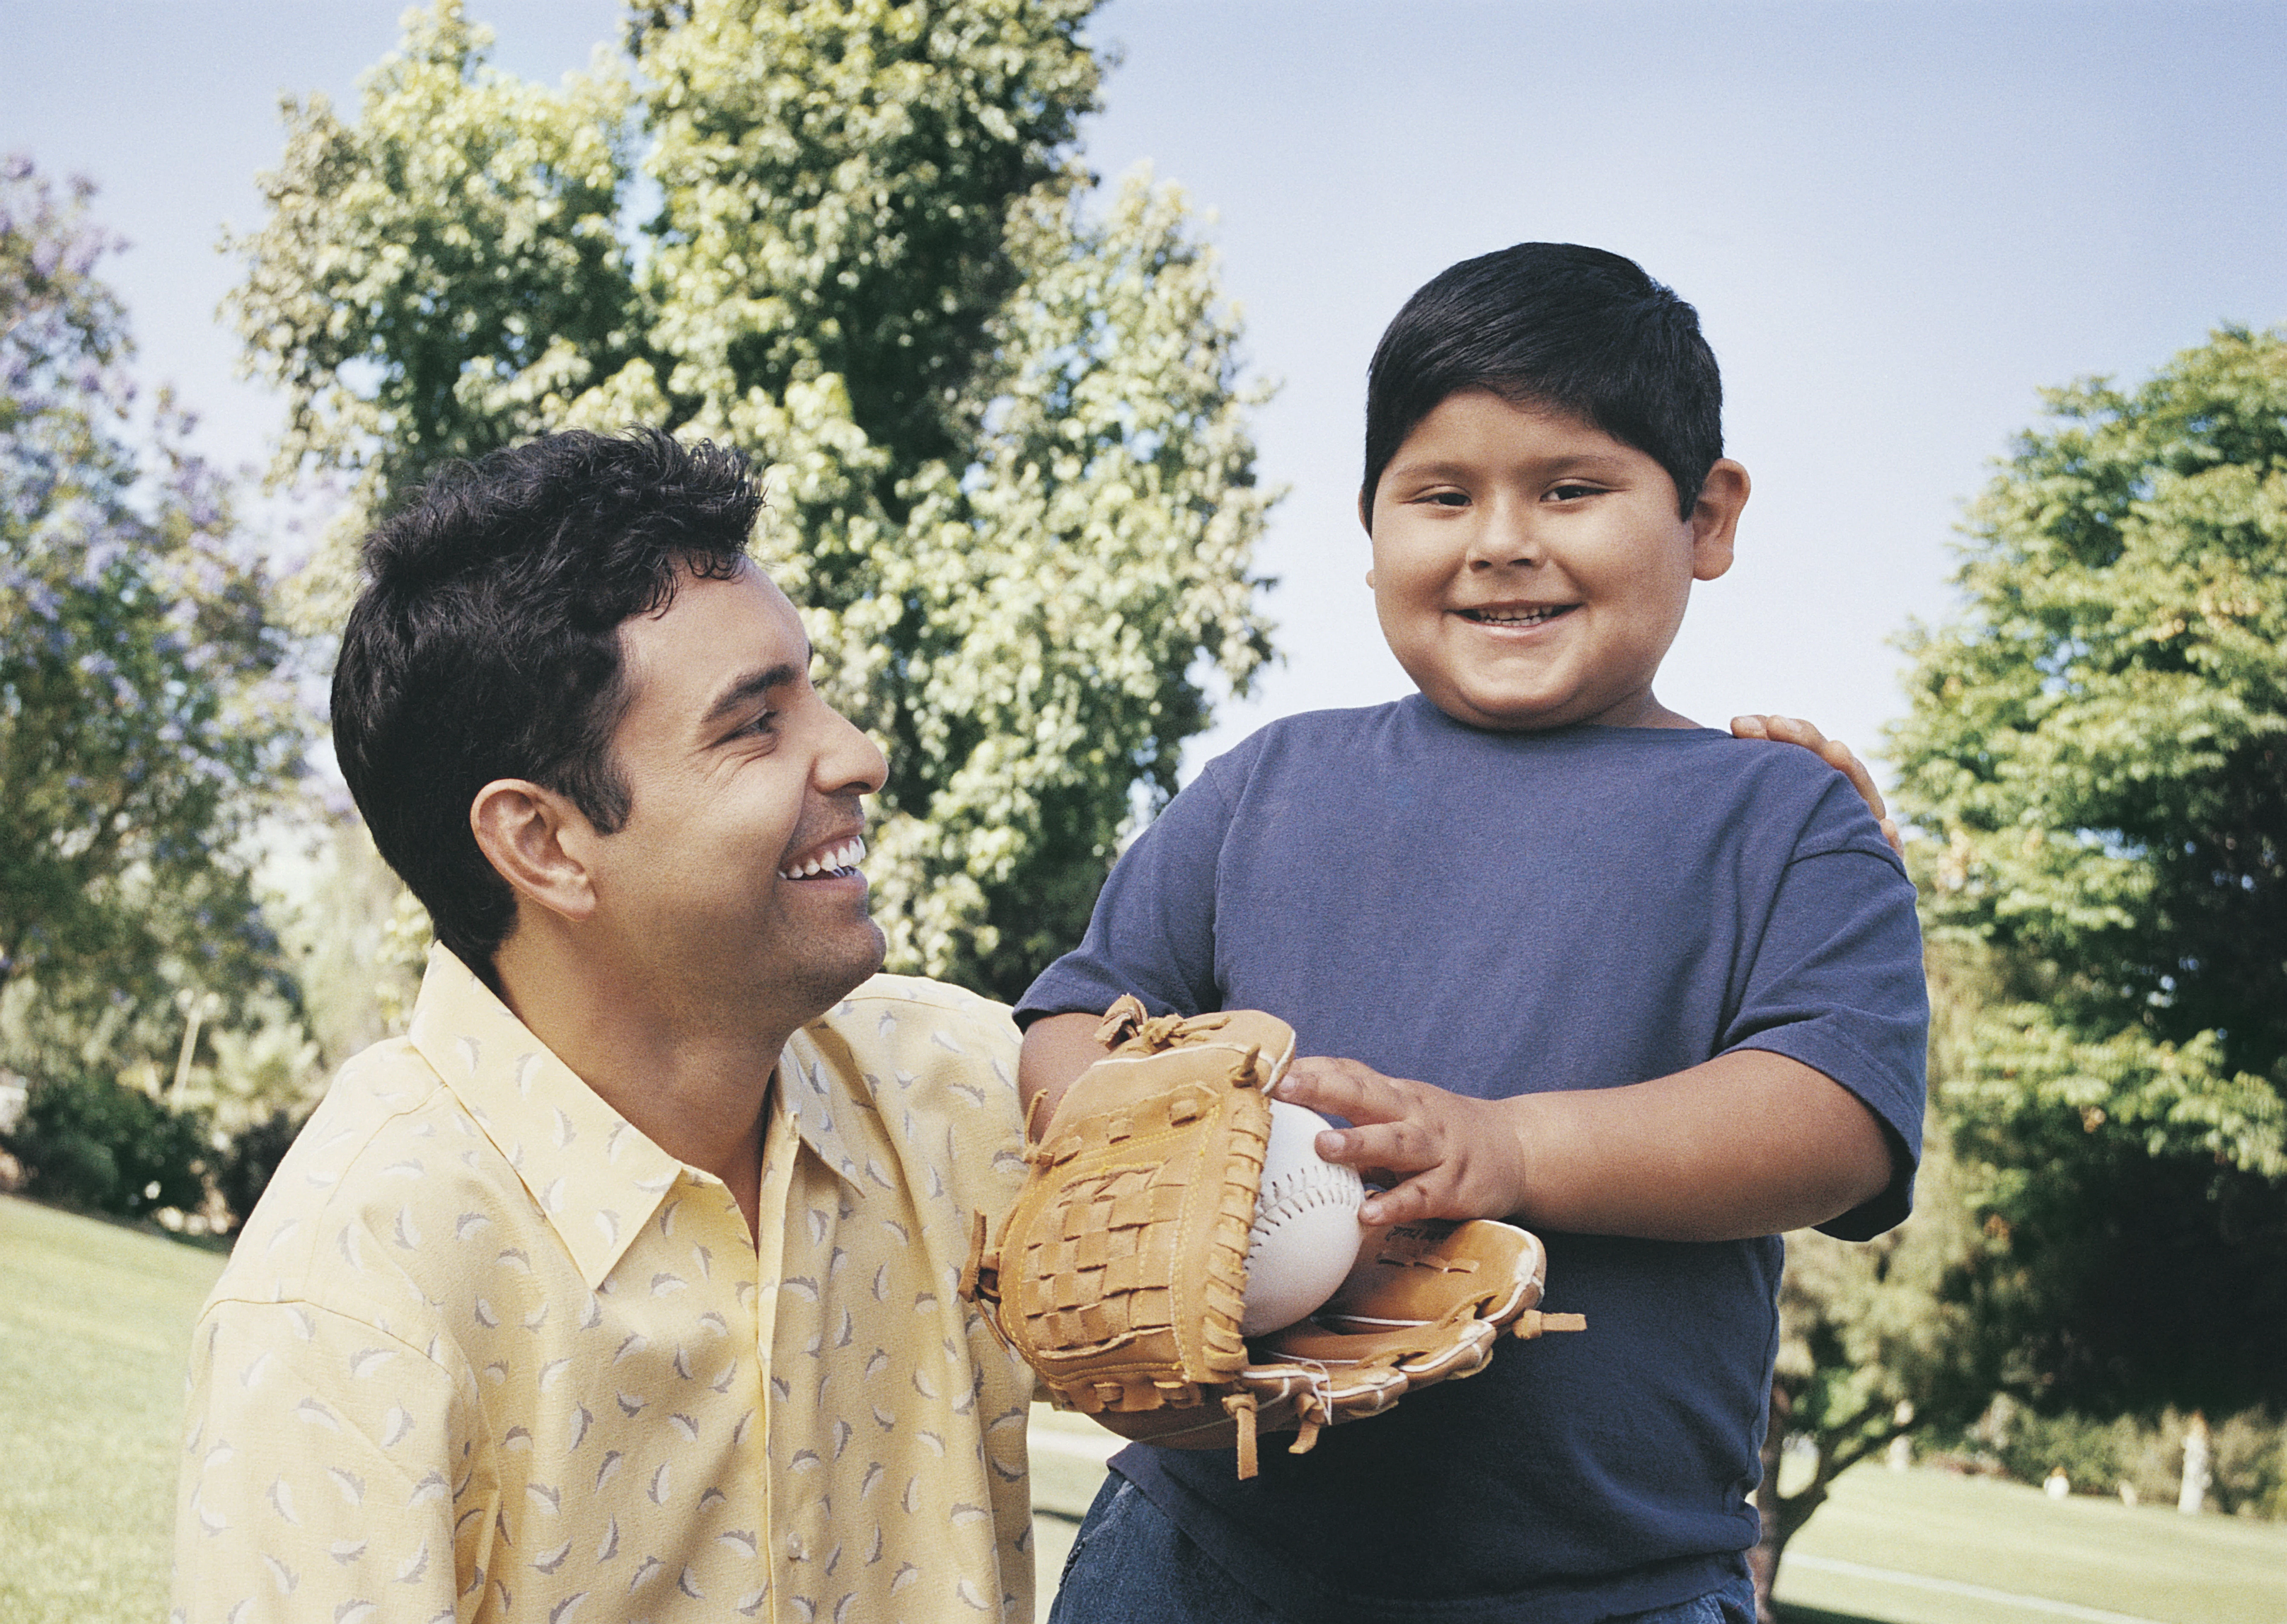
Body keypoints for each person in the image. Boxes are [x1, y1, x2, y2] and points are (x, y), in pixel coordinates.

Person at [1017, 244, 1928, 1624]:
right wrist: (1154, 1159)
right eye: (1440, 496)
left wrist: (1507, 1150)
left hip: (1601, 1589)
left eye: (1571, 488)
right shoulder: (1267, 779)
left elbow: (1836, 1115)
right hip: (1203, 1544)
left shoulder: (1782, 813)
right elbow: (1076, 1020)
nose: (1501, 540)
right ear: (1370, 523)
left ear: (1707, 516)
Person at [170, 430, 1037, 1623]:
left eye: (813, 690)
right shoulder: (354, 1294)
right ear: (543, 843)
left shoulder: (963, 1082)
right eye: (755, 724)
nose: (858, 754)